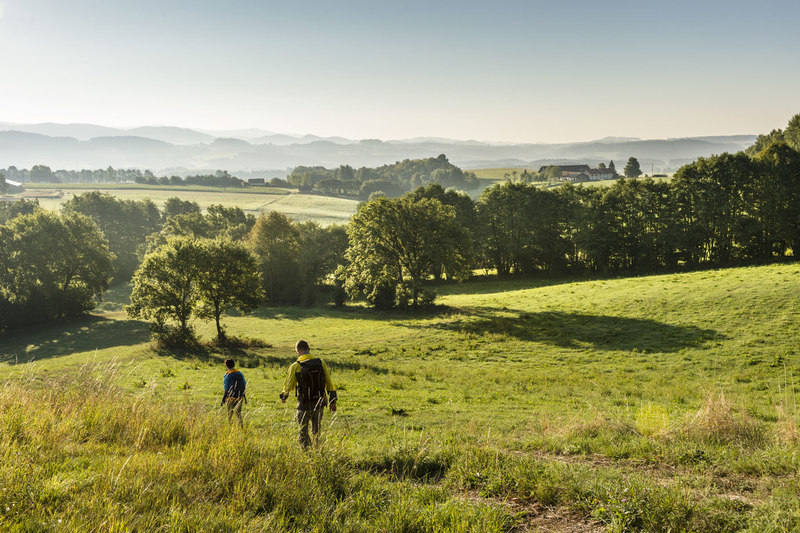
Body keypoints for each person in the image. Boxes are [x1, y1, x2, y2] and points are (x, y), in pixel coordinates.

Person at [279, 340, 337, 448]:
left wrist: (284, 396)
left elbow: (289, 384)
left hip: (304, 404)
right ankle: (317, 451)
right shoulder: (320, 362)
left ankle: (307, 453)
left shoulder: (295, 366)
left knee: (303, 431)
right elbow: (329, 382)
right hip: (319, 402)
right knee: (316, 431)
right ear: (309, 349)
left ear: (298, 351)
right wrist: (332, 400)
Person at [221, 358, 246, 428]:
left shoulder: (227, 375)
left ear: (226, 366)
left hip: (230, 397)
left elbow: (226, 388)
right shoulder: (239, 373)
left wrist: (224, 397)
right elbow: (244, 383)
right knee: (238, 413)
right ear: (234, 364)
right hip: (240, 396)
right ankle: (241, 427)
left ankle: (230, 427)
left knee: (230, 413)